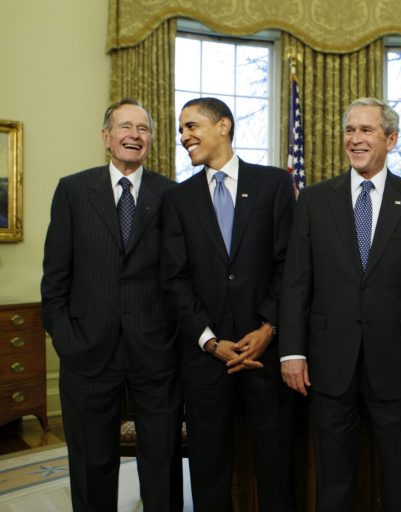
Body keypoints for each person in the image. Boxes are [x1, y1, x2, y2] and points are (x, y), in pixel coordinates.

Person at [279, 97, 401, 512]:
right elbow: (297, 281)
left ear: (391, 138)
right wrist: (292, 352)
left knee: (400, 475)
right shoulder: (315, 201)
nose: (355, 139)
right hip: (328, 362)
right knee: (333, 480)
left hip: (398, 363)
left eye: (366, 130)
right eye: (350, 130)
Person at [41, 98, 182, 511]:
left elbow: (180, 276)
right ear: (107, 137)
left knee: (162, 463)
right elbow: (55, 279)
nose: (134, 136)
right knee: (91, 463)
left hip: (155, 353)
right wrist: (67, 339)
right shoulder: (72, 190)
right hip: (88, 351)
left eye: (142, 129)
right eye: (125, 127)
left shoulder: (171, 194)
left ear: (151, 141)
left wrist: (172, 337)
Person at [162, 97, 295, 511]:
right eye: (181, 130)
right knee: (208, 472)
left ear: (224, 125)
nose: (184, 137)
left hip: (265, 356)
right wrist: (209, 340)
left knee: (276, 468)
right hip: (205, 362)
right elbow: (174, 279)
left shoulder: (273, 184)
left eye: (192, 126)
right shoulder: (178, 200)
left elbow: (288, 265)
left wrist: (267, 328)